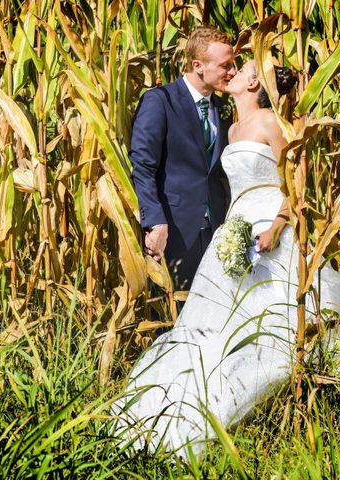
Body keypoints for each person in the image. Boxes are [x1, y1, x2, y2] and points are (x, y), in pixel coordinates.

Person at [112, 60, 340, 458]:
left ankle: (294, 414)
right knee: (213, 324)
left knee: (276, 323)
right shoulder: (229, 127)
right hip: (235, 229)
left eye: (243, 67)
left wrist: (278, 227)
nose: (232, 71)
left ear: (255, 82)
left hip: (271, 228)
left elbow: (295, 186)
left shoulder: (270, 122)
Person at [131, 26, 237, 290]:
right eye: (226, 65)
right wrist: (155, 223)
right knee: (172, 318)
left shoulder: (223, 108)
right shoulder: (160, 101)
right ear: (198, 65)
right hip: (173, 232)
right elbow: (143, 167)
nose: (233, 72)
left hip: (216, 234)